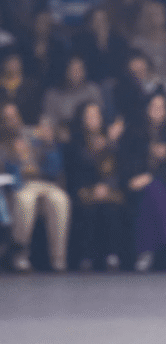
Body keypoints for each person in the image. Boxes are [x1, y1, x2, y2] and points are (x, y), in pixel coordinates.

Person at [119, 91, 166, 272]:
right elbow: (125, 161)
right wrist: (148, 156)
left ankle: (145, 252)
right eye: (153, 107)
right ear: (146, 109)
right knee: (149, 193)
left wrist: (157, 167)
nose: (157, 111)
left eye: (161, 108)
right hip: (135, 183)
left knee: (153, 192)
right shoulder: (134, 131)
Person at [0, 102, 71, 272]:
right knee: (25, 201)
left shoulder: (32, 136)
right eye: (7, 118)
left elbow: (54, 169)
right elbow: (6, 176)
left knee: (61, 200)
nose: (12, 121)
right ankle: (20, 256)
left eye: (15, 116)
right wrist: (16, 160)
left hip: (44, 182)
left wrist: (49, 144)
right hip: (20, 185)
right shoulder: (2, 145)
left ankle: (58, 259)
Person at [65, 102, 126, 271]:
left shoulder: (112, 139)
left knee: (111, 208)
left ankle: (112, 255)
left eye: (96, 115)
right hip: (84, 188)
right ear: (82, 119)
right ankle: (86, 256)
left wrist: (106, 186)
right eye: (89, 116)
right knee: (88, 209)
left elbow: (118, 168)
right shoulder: (76, 142)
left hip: (109, 189)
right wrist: (93, 188)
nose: (93, 119)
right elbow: (77, 170)